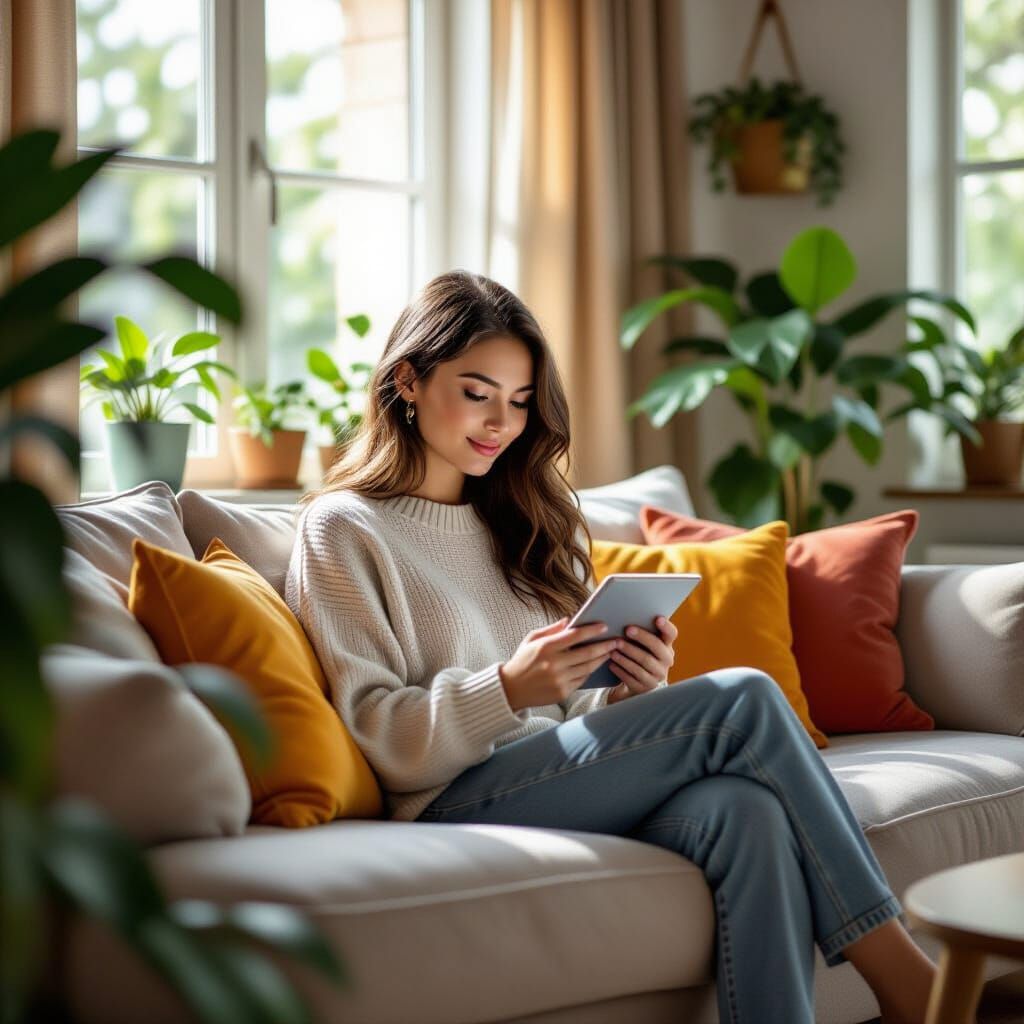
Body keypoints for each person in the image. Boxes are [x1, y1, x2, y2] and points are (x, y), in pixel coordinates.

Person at [285, 270, 940, 1024]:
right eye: (477, 392)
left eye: (521, 402)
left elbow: (577, 713)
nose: (501, 422)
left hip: (552, 776)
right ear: (407, 380)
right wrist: (506, 688)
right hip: (444, 798)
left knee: (744, 809)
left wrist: (633, 688)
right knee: (743, 698)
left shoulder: (529, 515)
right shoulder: (343, 527)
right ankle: (906, 981)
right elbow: (378, 735)